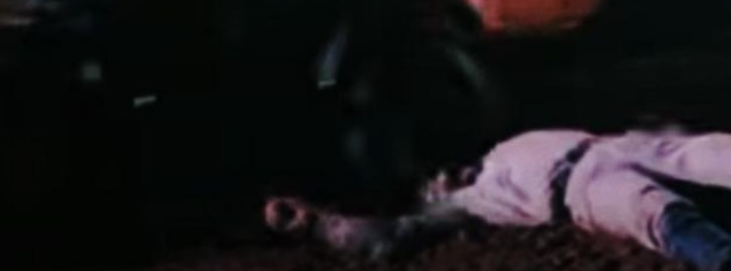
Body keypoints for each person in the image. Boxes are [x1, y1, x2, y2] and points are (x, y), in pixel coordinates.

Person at [264, 127, 731, 271]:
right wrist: (316, 223)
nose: (439, 178)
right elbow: (390, 237)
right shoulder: (471, 202)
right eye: (430, 185)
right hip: (580, 192)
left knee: (713, 152)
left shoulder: (504, 147)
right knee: (656, 213)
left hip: (617, 146)